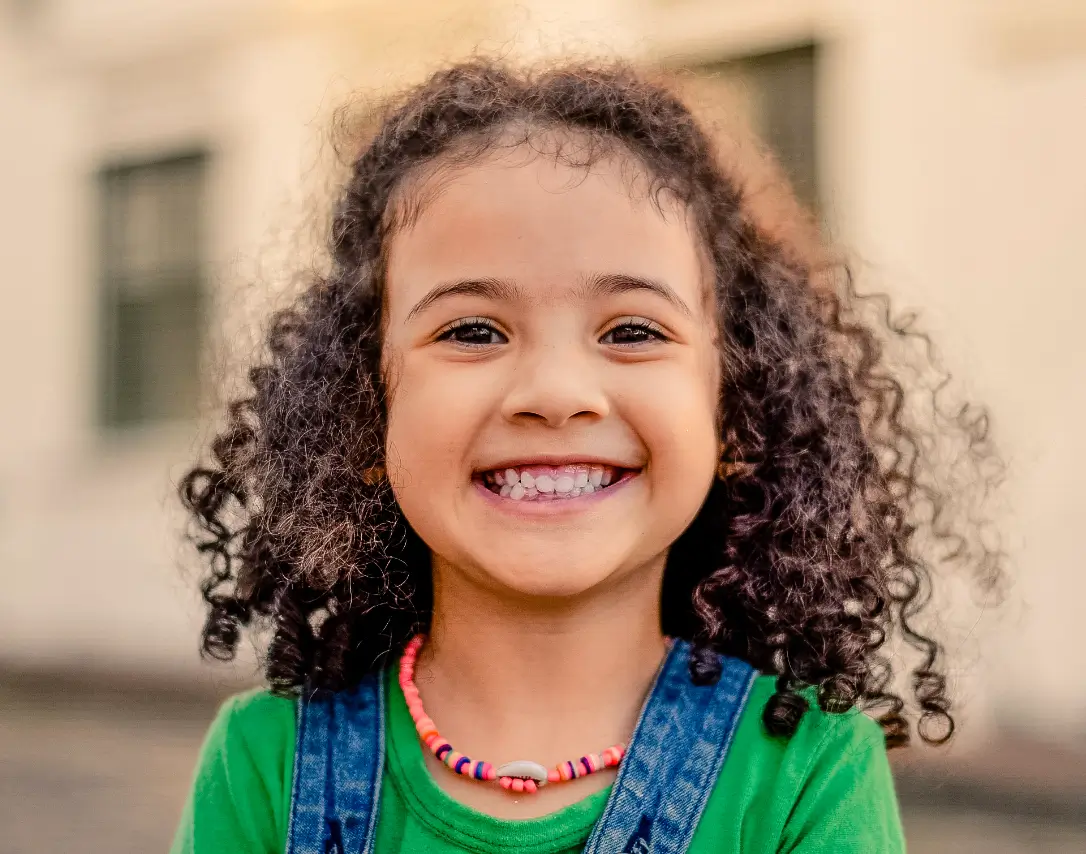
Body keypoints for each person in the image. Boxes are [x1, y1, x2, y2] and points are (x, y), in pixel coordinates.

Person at [171, 58, 1001, 853]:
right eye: (472, 330)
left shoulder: (808, 773)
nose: (557, 391)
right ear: (363, 410)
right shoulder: (264, 768)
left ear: (735, 412)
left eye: (633, 331)